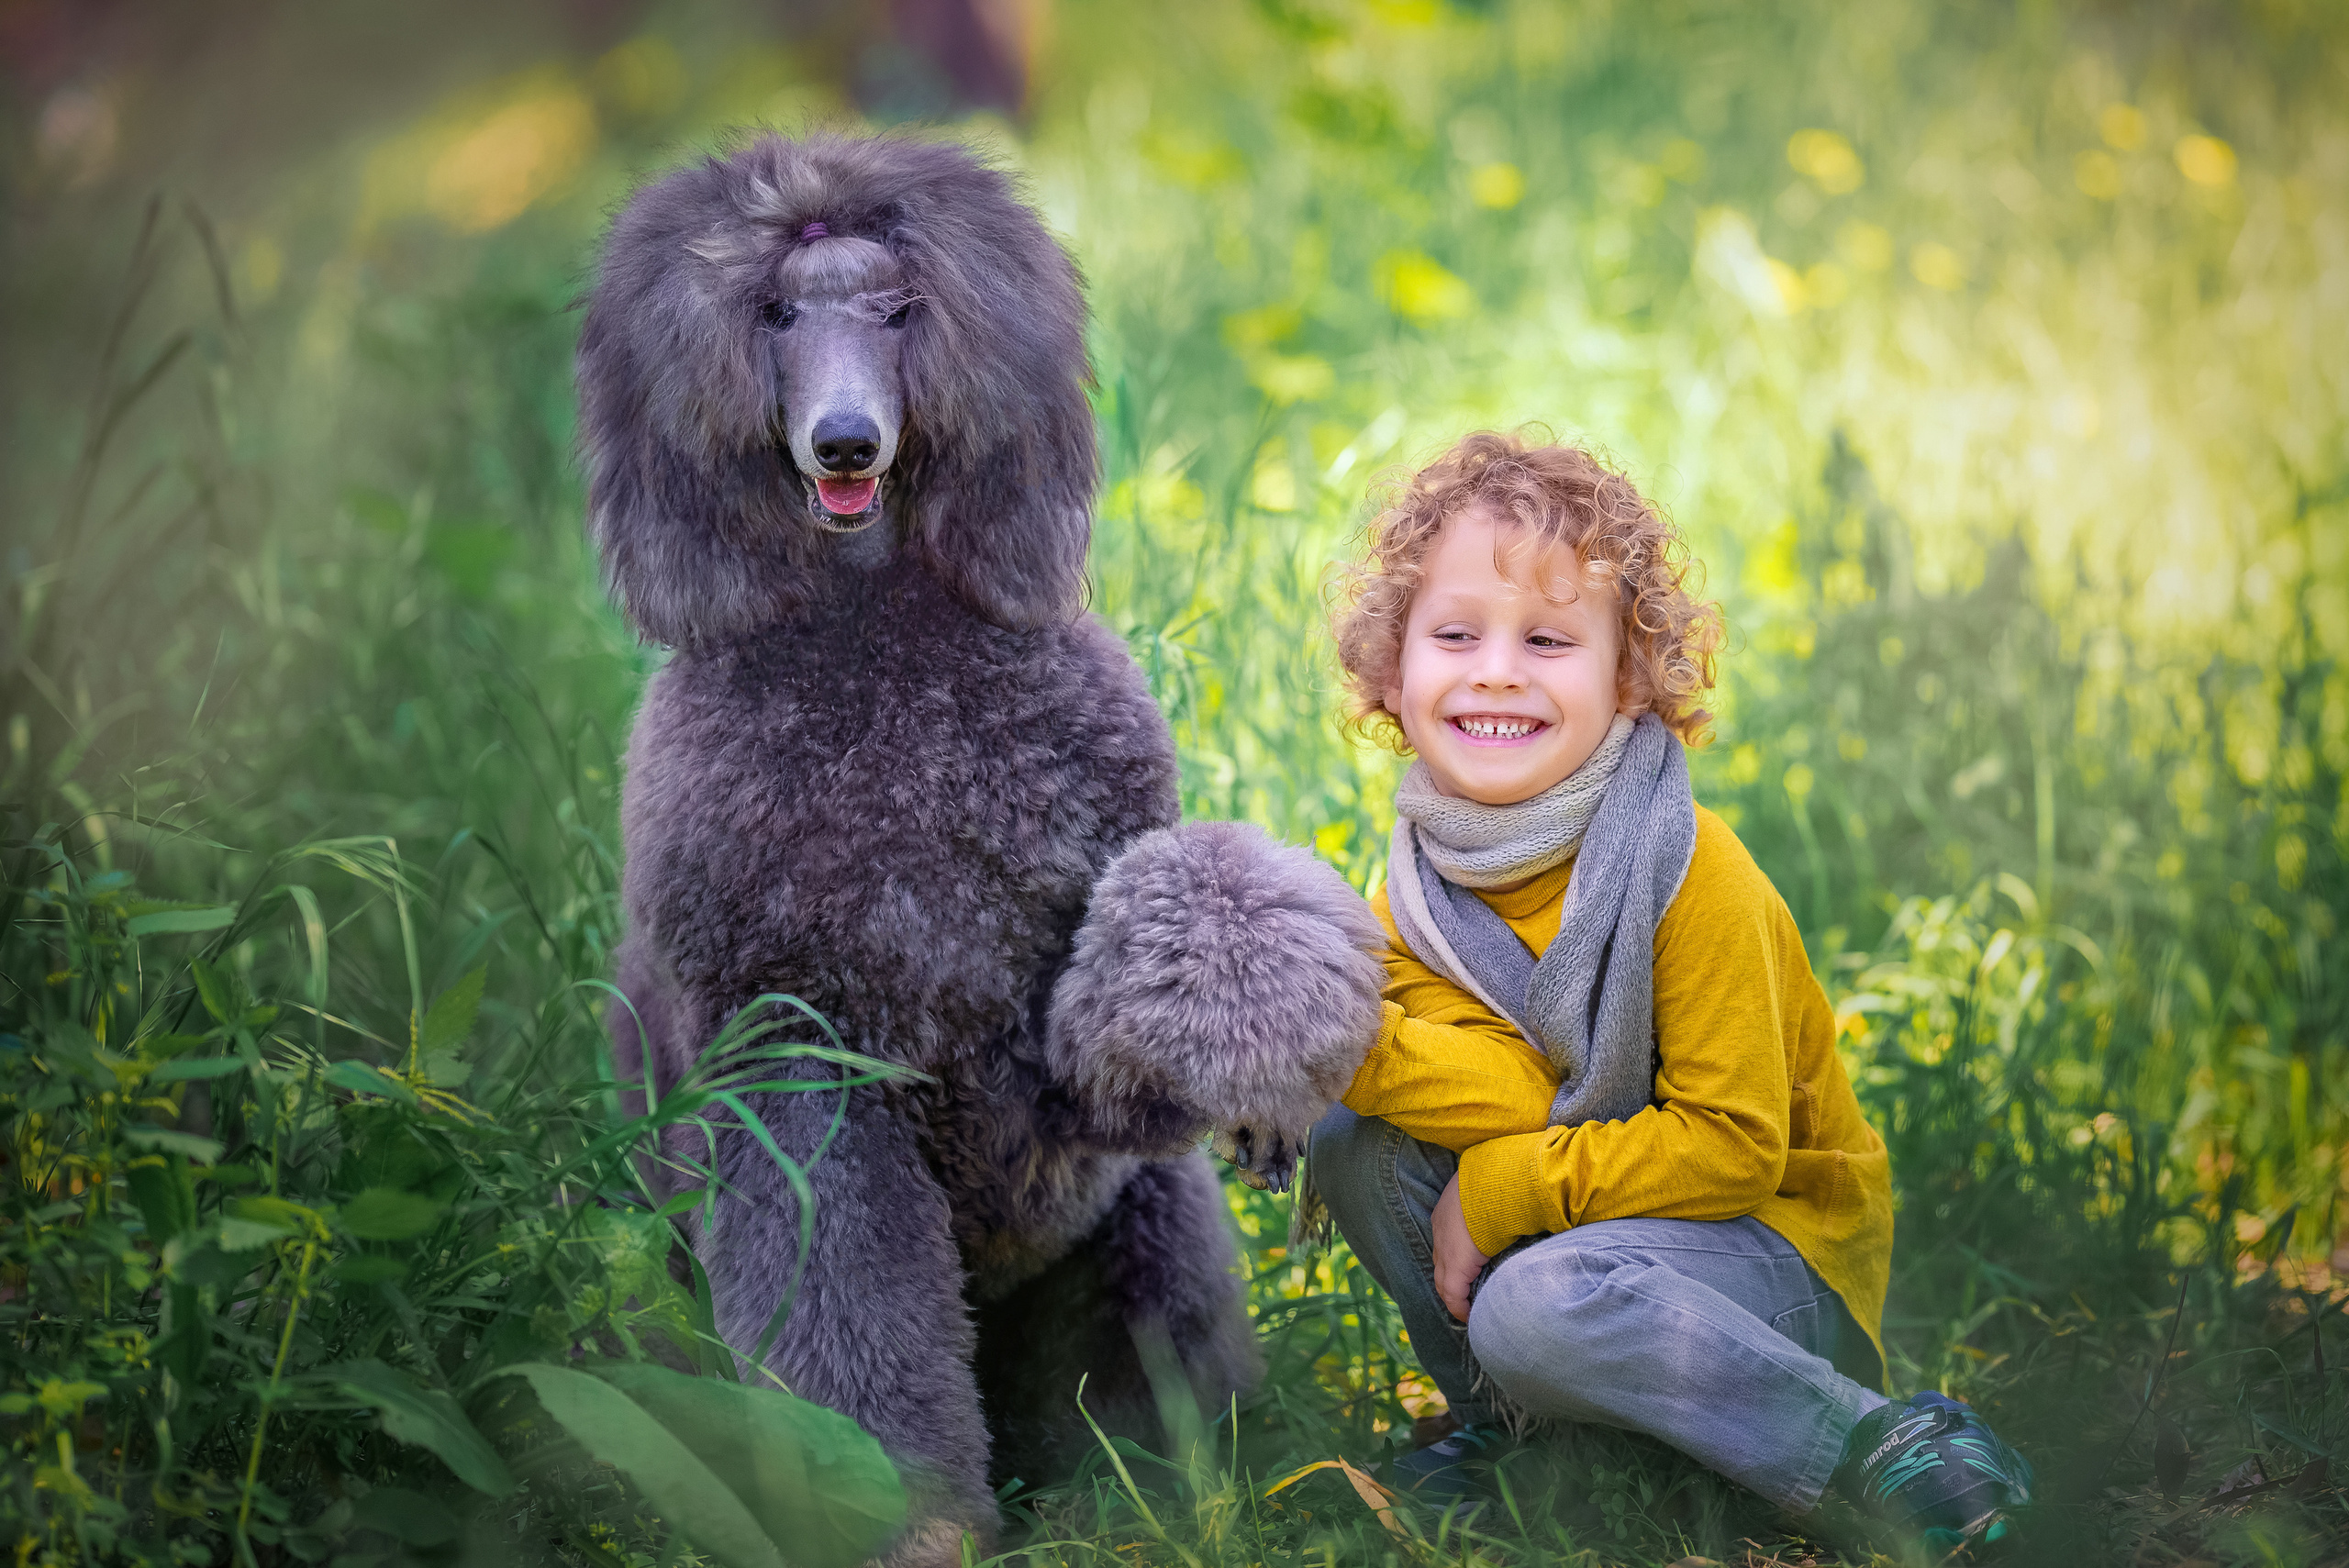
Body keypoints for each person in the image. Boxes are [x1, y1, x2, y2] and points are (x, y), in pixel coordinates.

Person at [1308, 429, 2032, 1551]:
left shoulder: (1688, 866)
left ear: (1629, 680)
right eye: (1454, 633)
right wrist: (1335, 1038)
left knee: (1532, 1303)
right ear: (1392, 670)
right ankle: (1530, 1438)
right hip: (1596, 1240)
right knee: (1357, 1140)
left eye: (1548, 639)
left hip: (1762, 1260)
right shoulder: (1418, 891)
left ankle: (1872, 1443)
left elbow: (1733, 1146)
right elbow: (1505, 1089)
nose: (1496, 668)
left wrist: (1503, 1194)